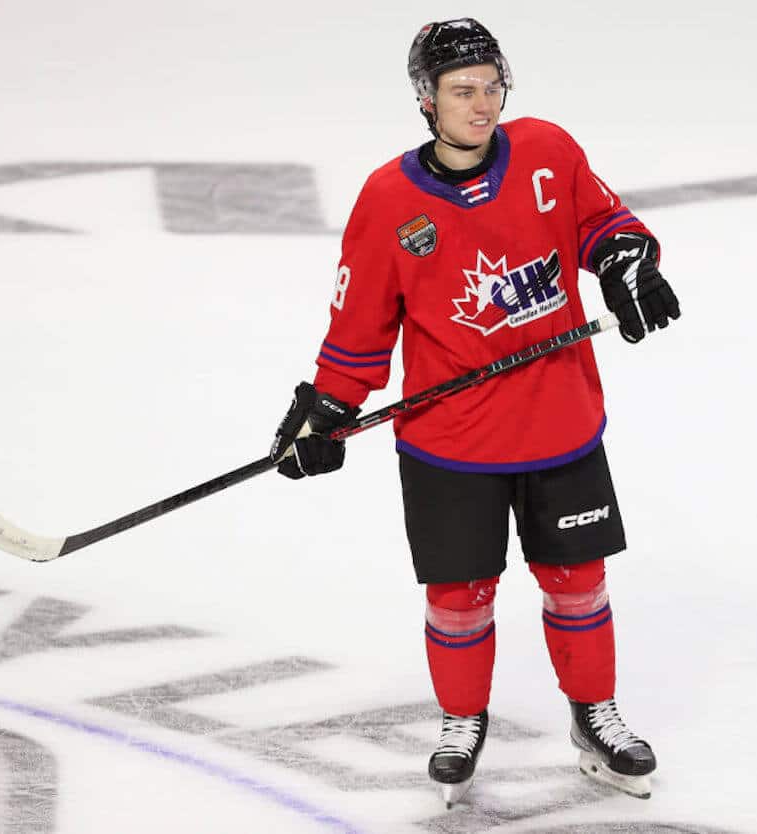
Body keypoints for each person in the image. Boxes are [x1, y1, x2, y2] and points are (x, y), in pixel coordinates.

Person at [271, 18, 680, 806]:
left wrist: (626, 257)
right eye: (463, 90)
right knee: (460, 595)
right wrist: (325, 410)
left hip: (560, 420)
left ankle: (594, 716)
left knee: (577, 580)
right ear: (426, 100)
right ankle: (462, 721)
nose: (482, 103)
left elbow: (600, 223)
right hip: (451, 442)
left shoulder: (548, 151)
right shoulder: (389, 200)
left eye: (493, 86)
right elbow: (361, 329)